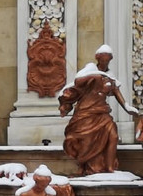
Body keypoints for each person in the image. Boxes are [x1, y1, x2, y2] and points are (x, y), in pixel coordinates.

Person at [58, 44, 140, 175]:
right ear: (98, 58)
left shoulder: (110, 76)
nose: (105, 62)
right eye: (103, 59)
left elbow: (117, 92)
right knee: (88, 141)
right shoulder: (90, 69)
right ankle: (87, 165)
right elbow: (78, 81)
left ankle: (110, 168)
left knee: (113, 136)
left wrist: (127, 107)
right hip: (86, 113)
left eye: (108, 59)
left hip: (102, 113)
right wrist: (97, 75)